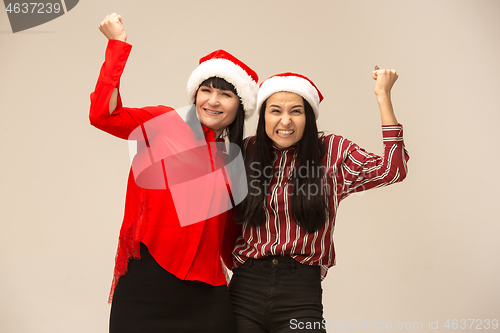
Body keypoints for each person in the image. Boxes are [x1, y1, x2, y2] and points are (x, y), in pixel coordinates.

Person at [89, 13, 258, 333]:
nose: (213, 100)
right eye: (206, 90)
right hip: (146, 285)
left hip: (207, 296)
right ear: (195, 93)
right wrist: (116, 46)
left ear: (240, 106)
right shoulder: (164, 122)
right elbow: (104, 115)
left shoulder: (234, 161)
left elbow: (229, 239)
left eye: (225, 94)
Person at [229, 71, 409, 332]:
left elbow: (393, 170)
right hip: (244, 290)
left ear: (309, 117)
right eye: (275, 110)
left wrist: (383, 96)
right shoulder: (247, 151)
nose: (285, 121)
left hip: (301, 293)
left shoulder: (332, 152)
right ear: (263, 115)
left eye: (296, 111)